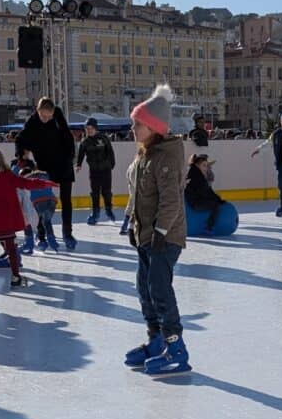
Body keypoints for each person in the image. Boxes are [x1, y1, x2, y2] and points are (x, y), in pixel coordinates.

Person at [122, 84, 190, 376]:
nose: (133, 128)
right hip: (145, 235)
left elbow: (171, 200)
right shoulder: (143, 157)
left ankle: (176, 347)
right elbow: (136, 193)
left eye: (137, 124)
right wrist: (129, 221)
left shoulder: (165, 158)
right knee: (144, 289)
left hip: (164, 236)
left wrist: (161, 232)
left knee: (159, 288)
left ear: (153, 127)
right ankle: (157, 340)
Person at [0, 147, 57, 291]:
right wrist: (44, 183)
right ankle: (15, 277)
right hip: (6, 218)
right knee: (11, 248)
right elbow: (26, 183)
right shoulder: (7, 175)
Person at [16, 97, 78, 250]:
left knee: (66, 200)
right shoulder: (33, 122)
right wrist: (22, 156)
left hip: (63, 164)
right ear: (38, 111)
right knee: (42, 201)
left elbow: (69, 139)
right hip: (44, 166)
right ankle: (41, 234)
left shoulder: (58, 117)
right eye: (43, 116)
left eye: (49, 116)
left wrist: (69, 158)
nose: (46, 119)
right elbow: (20, 139)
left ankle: (67, 233)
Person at [76, 117, 117, 225]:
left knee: (106, 192)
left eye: (91, 128)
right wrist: (79, 164)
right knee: (95, 193)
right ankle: (95, 213)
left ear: (95, 128)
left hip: (106, 170)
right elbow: (81, 154)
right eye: (87, 128)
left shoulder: (103, 138)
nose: (89, 130)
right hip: (94, 171)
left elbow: (110, 151)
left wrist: (112, 164)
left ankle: (108, 210)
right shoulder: (85, 142)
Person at [184, 153, 226, 230]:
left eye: (206, 166)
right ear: (197, 165)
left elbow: (206, 191)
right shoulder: (197, 177)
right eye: (204, 165)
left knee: (214, 201)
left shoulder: (193, 172)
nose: (206, 168)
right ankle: (209, 226)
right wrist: (218, 200)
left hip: (194, 200)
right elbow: (206, 192)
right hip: (195, 203)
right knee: (215, 205)